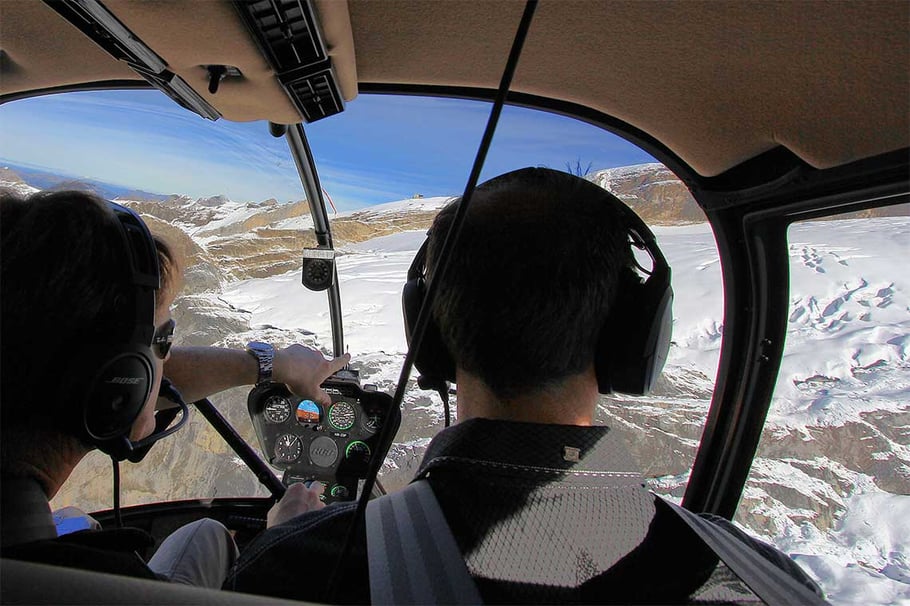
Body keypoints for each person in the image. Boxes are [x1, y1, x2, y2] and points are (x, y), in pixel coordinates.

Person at [225, 168, 823, 603]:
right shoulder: (763, 580)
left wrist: (285, 536)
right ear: (632, 340)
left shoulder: (298, 571)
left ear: (429, 336)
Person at [0, 190, 340, 586]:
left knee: (205, 535)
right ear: (118, 381)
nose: (165, 364)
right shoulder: (87, 584)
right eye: (163, 342)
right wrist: (283, 544)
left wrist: (273, 364)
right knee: (207, 534)